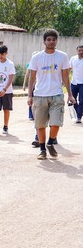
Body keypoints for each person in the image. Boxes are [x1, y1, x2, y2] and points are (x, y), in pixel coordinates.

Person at [27, 29, 75, 160]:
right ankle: (42, 150)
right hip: (40, 95)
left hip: (57, 94)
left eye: (54, 39)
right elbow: (32, 77)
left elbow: (66, 76)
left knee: (56, 123)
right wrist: (29, 96)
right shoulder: (36, 57)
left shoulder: (62, 56)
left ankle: (50, 142)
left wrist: (70, 94)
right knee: (40, 125)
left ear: (56, 41)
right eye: (48, 39)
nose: (51, 41)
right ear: (44, 41)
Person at [69, 45, 83, 123]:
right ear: (77, 51)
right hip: (74, 82)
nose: (81, 52)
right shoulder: (73, 59)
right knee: (73, 99)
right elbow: (68, 69)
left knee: (82, 100)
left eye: (82, 51)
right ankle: (79, 111)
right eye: (79, 51)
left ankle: (78, 117)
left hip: (82, 83)